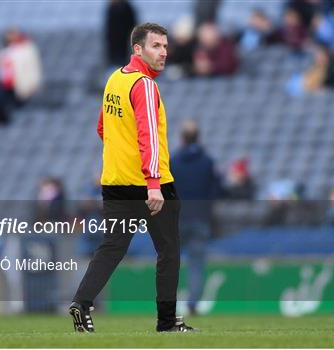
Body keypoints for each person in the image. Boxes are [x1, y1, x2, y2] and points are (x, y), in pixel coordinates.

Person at [69, 23, 197, 333]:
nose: (164, 52)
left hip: (115, 184)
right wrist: (153, 184)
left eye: (165, 46)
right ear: (137, 49)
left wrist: (120, 158)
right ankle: (167, 321)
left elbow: (103, 128)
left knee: (111, 247)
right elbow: (149, 137)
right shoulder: (144, 84)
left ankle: (81, 303)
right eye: (156, 46)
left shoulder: (114, 79)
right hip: (151, 185)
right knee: (168, 251)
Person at [170, 120, 218, 316]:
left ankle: (168, 302)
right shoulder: (207, 162)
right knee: (197, 264)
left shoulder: (173, 161)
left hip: (177, 218)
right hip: (200, 218)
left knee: (171, 262)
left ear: (182, 139)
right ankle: (192, 304)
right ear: (198, 138)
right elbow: (216, 190)